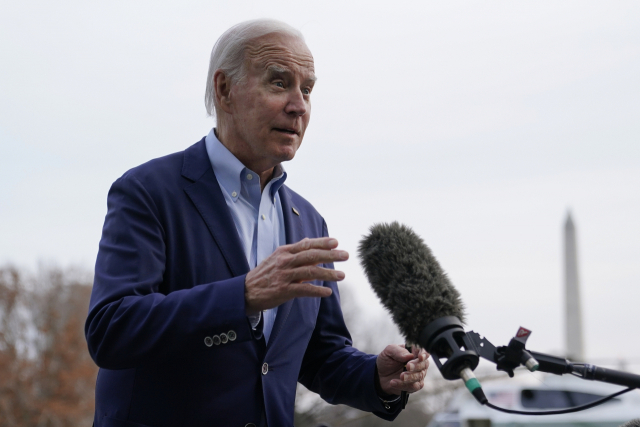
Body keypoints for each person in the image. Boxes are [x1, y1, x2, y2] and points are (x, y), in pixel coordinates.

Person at [85, 19, 429, 427]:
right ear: (224, 90)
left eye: (307, 90)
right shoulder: (148, 191)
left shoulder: (308, 221)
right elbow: (111, 330)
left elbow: (320, 356)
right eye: (279, 83)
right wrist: (243, 295)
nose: (299, 106)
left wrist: (376, 377)